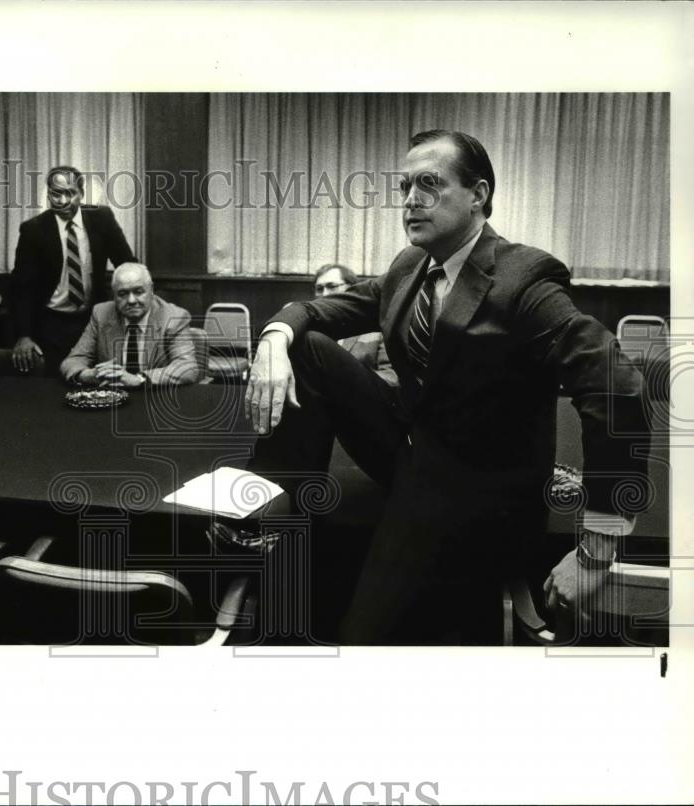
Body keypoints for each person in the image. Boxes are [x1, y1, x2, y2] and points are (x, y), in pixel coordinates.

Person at [244, 130, 650, 643]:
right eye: (406, 186)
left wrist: (597, 547)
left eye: (430, 185)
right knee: (304, 344)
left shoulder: (524, 278)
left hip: (481, 492)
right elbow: (326, 309)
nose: (411, 200)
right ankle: (272, 514)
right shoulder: (410, 265)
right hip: (412, 453)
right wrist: (275, 336)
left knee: (360, 634)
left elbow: (616, 387)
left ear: (478, 195)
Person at [10, 166, 136, 376]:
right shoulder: (33, 229)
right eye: (56, 194)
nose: (63, 201)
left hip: (93, 319)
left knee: (97, 380)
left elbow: (128, 264)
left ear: (82, 194)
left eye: (70, 192)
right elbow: (23, 287)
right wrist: (24, 335)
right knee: (54, 384)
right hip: (51, 322)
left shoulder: (101, 218)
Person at [61, 263, 199, 387]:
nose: (131, 300)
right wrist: (90, 375)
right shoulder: (101, 313)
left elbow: (187, 367)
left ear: (151, 290)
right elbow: (73, 360)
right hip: (113, 399)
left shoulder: (174, 317)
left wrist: (139, 379)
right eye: (123, 294)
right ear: (114, 295)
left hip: (154, 399)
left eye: (138, 292)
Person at [313, 263, 397, 385]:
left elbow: (391, 377)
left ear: (352, 289)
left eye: (332, 286)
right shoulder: (311, 329)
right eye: (319, 288)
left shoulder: (377, 330)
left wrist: (344, 383)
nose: (325, 294)